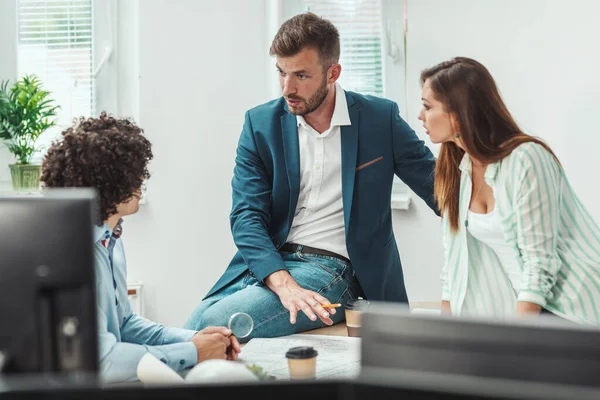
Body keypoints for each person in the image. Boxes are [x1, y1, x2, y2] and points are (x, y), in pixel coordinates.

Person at [184, 12, 438, 339]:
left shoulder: (379, 119)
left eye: (301, 75)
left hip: (336, 271)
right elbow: (246, 216)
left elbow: (439, 190)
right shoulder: (260, 124)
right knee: (194, 325)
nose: (288, 87)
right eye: (281, 72)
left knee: (212, 325)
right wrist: (282, 281)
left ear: (333, 73)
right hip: (270, 266)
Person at [40, 113, 241, 383]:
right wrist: (192, 352)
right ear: (109, 182)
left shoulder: (112, 238)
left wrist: (193, 338)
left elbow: (123, 324)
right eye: (133, 172)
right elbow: (103, 361)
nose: (141, 180)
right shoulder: (73, 252)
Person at [419, 56, 600, 324]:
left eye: (427, 106)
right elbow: (453, 267)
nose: (420, 115)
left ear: (458, 114)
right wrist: (447, 334)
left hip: (569, 310)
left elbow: (540, 264)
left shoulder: (526, 158)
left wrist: (518, 336)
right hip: (525, 309)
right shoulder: (460, 169)